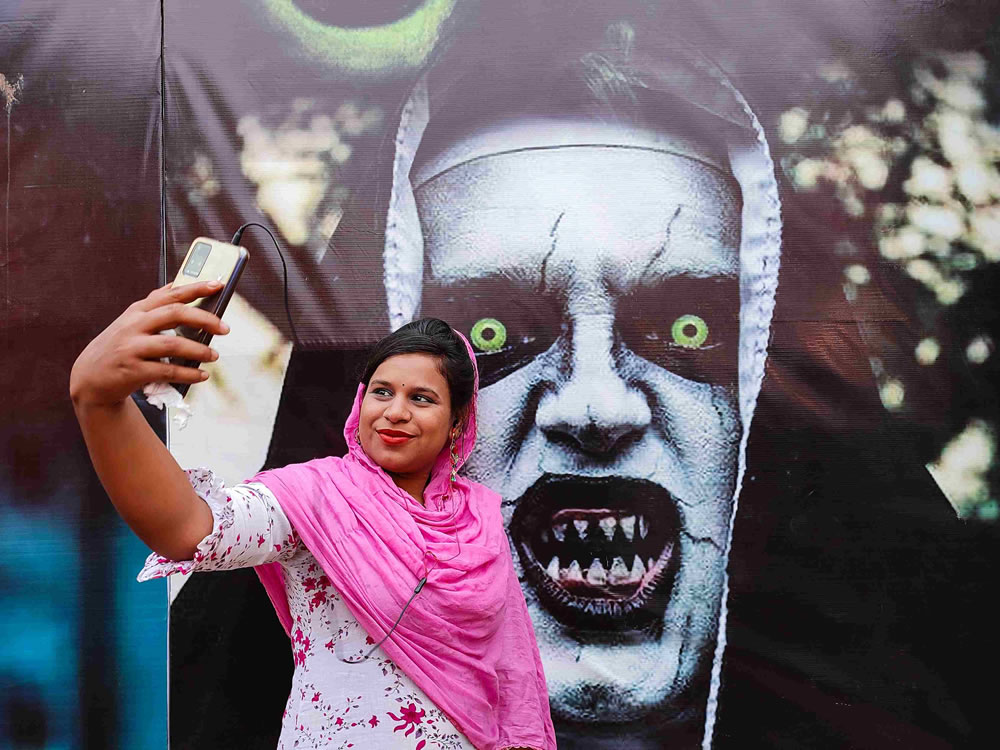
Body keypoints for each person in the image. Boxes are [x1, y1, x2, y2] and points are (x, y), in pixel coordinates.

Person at [68, 284, 556, 750]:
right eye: (381, 392)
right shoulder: (316, 497)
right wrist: (99, 402)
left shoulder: (478, 520)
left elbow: (511, 676)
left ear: (456, 423)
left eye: (421, 398)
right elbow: (188, 529)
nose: (395, 412)